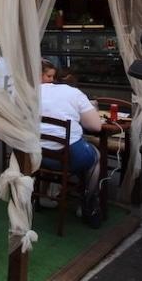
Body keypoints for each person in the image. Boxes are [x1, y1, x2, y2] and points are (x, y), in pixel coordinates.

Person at [38, 59, 103, 227]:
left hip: (39, 157)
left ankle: (46, 195)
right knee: (96, 156)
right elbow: (96, 126)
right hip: (69, 156)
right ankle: (87, 202)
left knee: (58, 145)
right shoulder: (74, 93)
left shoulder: (30, 92)